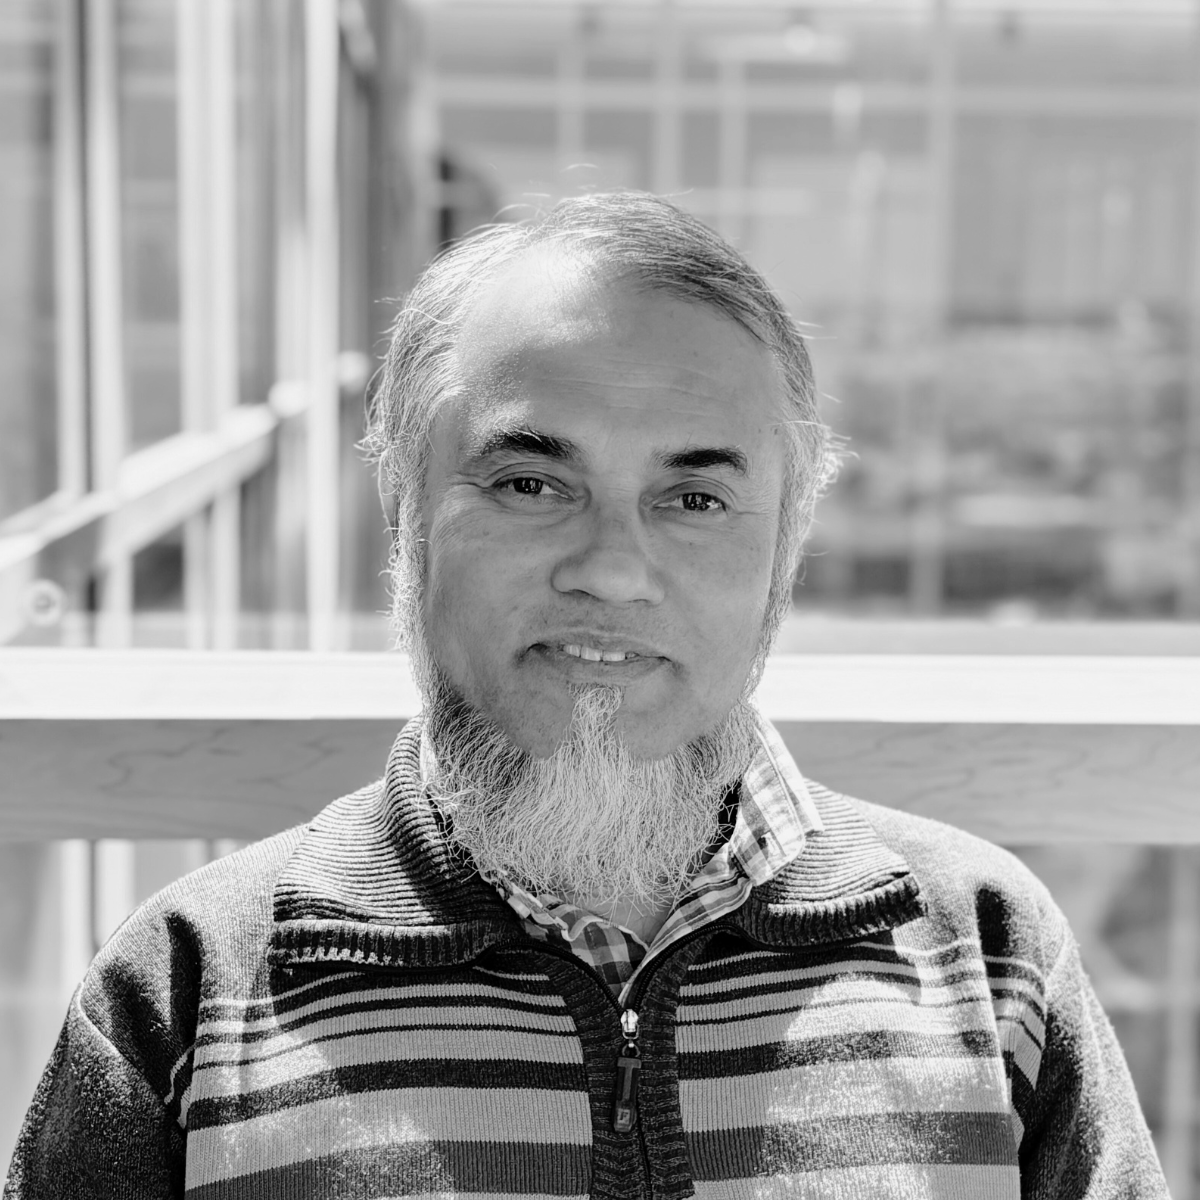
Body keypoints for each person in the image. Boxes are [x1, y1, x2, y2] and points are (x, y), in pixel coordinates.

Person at [5, 193, 1167, 1199]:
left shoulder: (986, 953)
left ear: (787, 545)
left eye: (694, 499)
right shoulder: (190, 987)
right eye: (529, 481)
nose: (612, 567)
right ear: (404, 515)